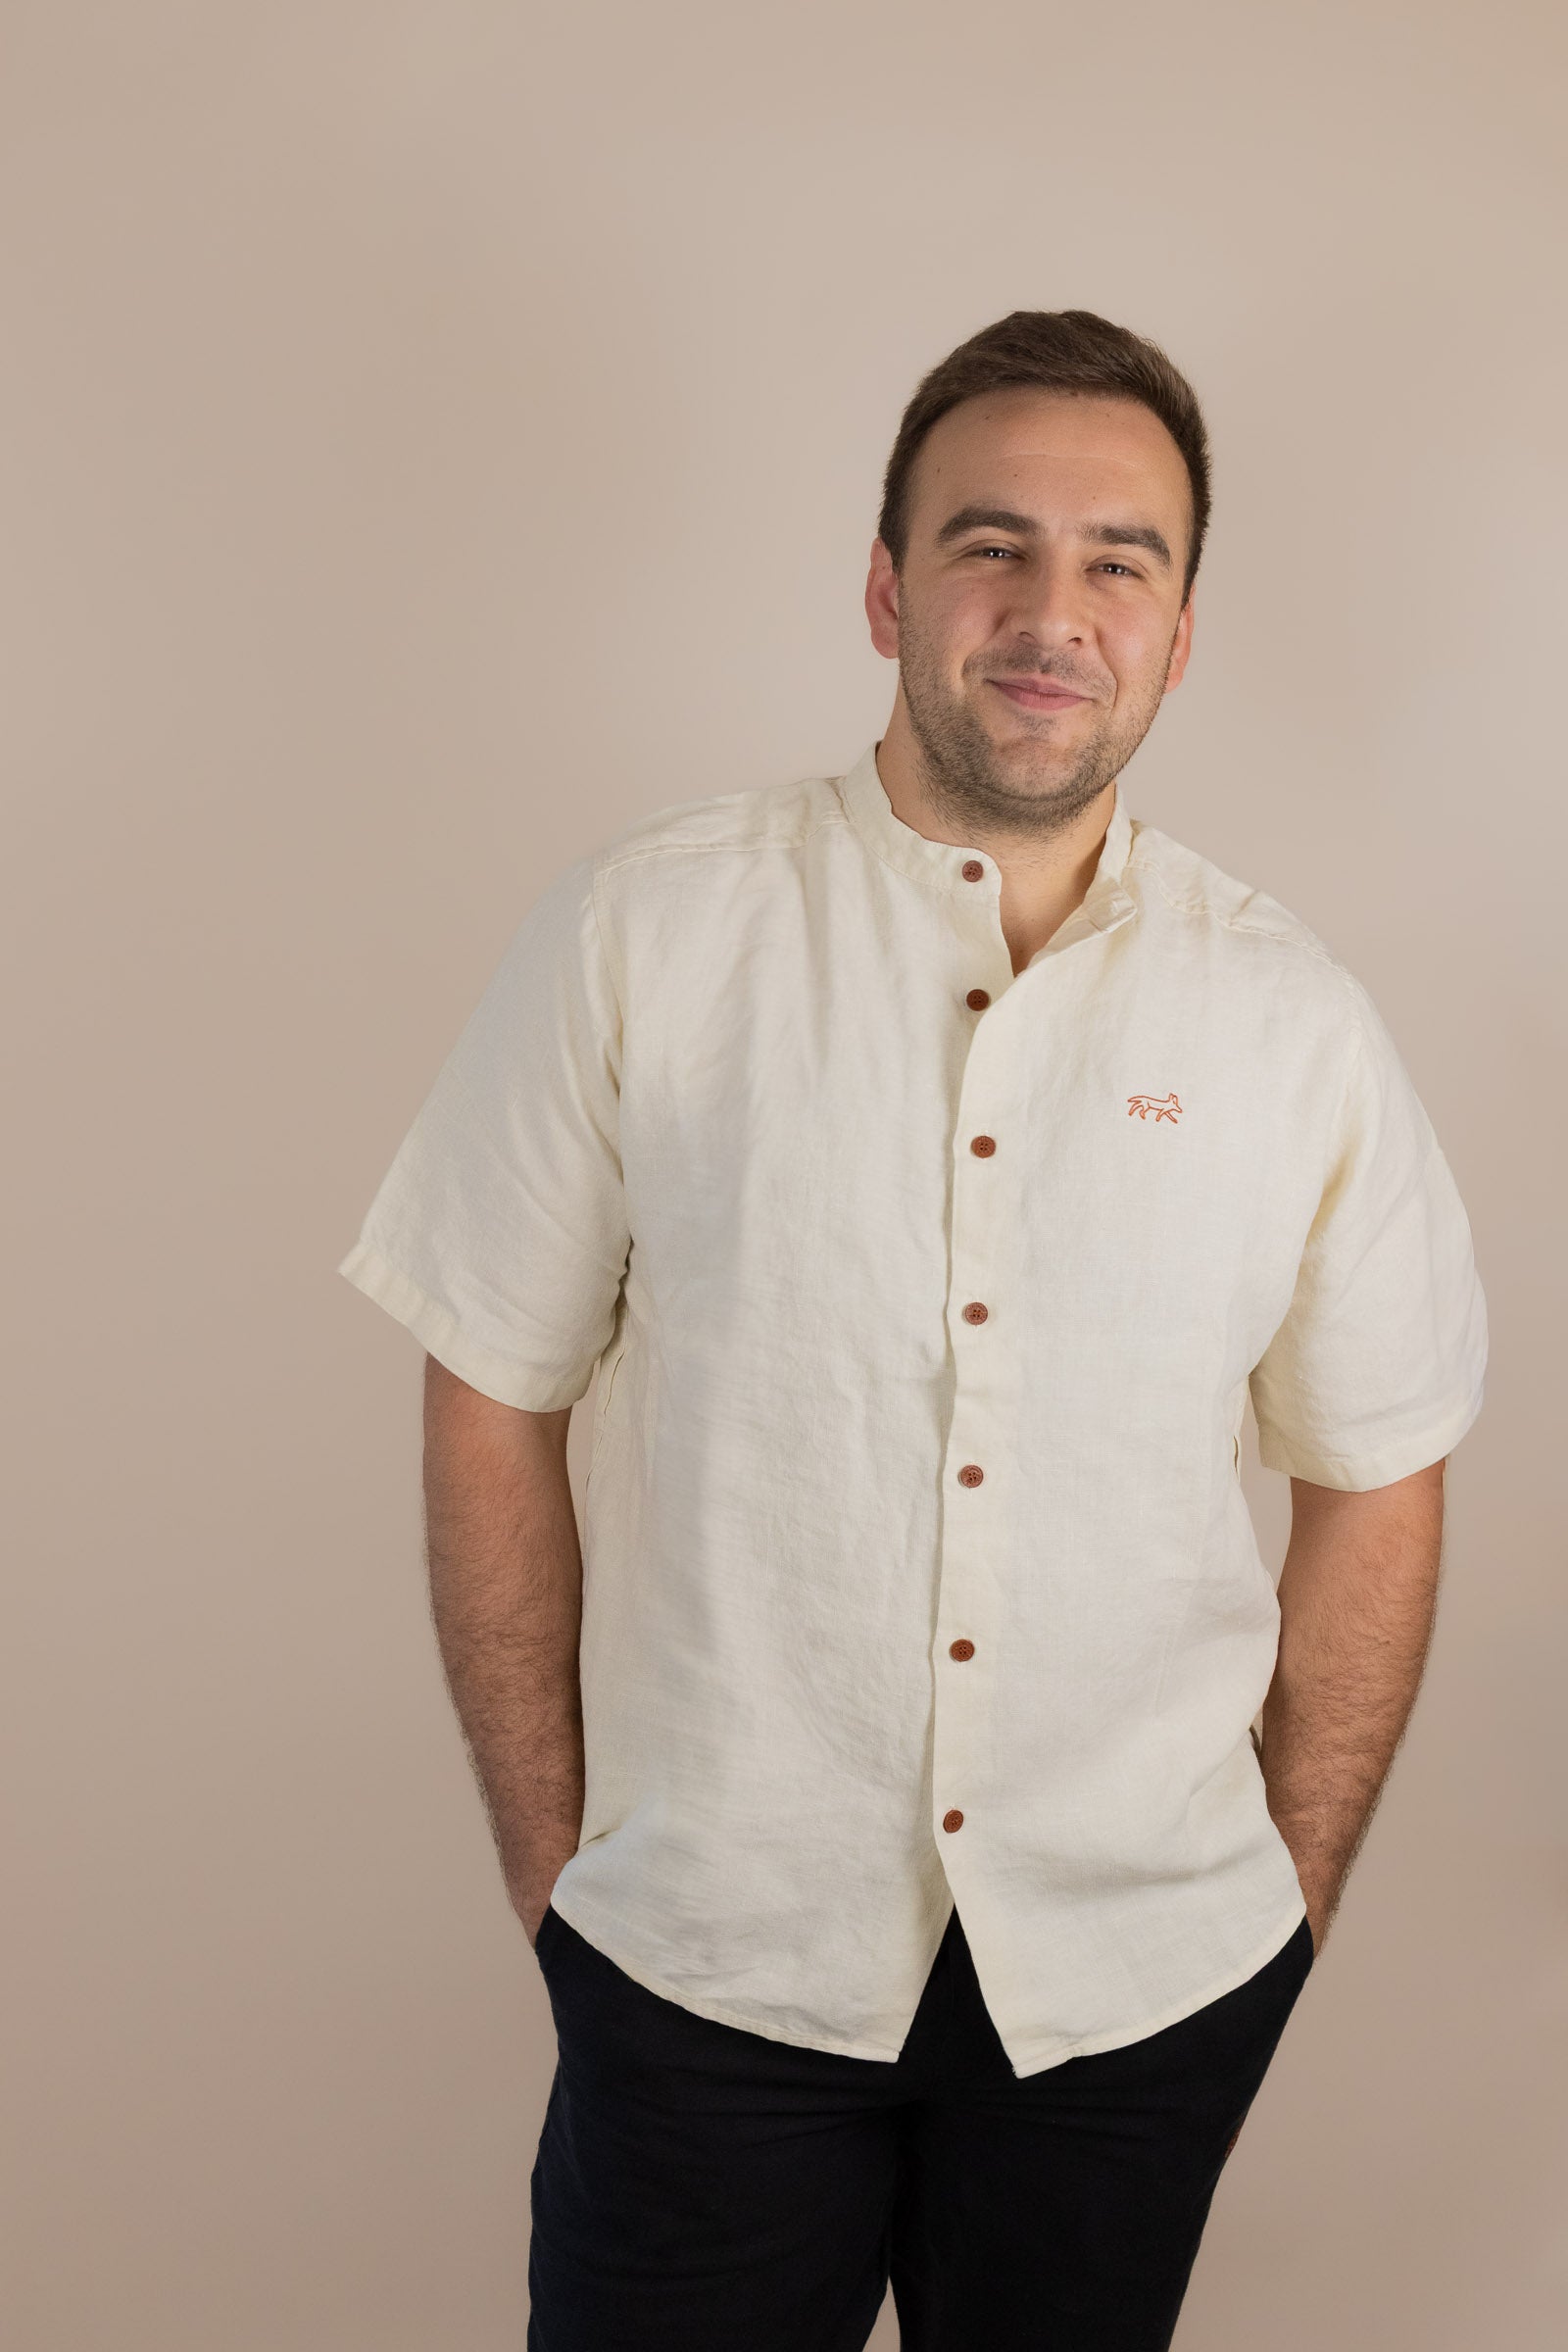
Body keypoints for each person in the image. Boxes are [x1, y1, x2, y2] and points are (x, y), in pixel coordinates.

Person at [336, 309, 1488, 2350]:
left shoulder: (1290, 1023)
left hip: (1133, 1995)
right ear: (885, 590)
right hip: (707, 1964)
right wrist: (560, 1875)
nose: (1052, 612)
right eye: (990, 545)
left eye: (1117, 561)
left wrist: (1284, 1906)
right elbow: (488, 1393)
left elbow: (1376, 1474)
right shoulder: (645, 934)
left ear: (1179, 633)